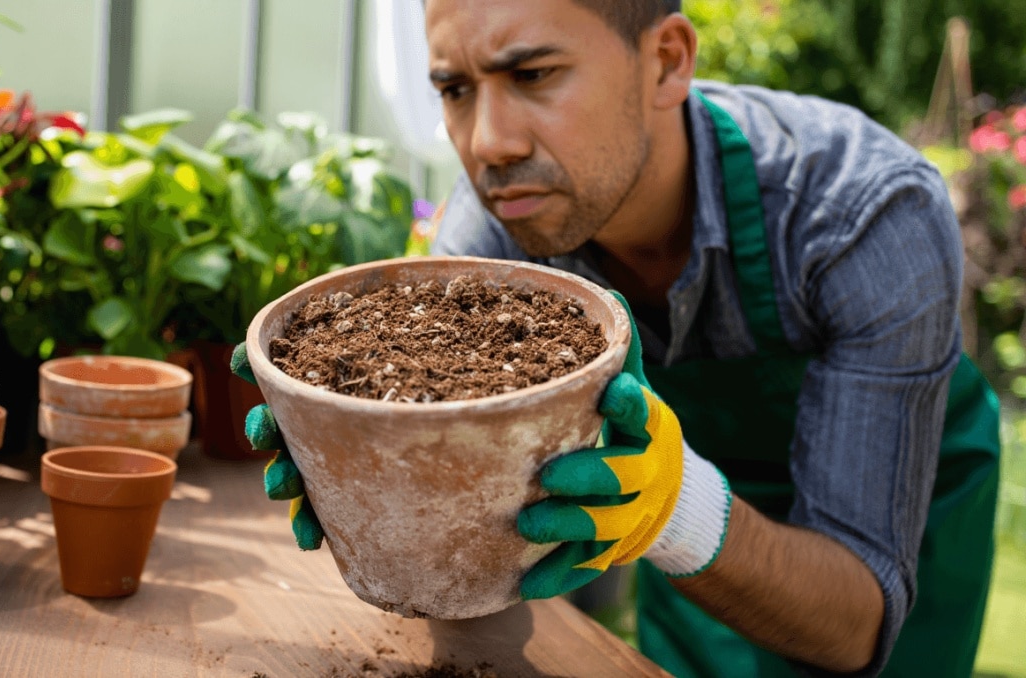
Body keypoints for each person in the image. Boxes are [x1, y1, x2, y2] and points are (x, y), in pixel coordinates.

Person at [231, 1, 1002, 675]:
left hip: (884, 535)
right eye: (456, 90)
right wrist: (396, 493)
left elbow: (853, 624)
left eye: (533, 74)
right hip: (695, 537)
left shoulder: (862, 214)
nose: (487, 143)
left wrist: (677, 508)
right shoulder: (496, 227)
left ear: (665, 62)